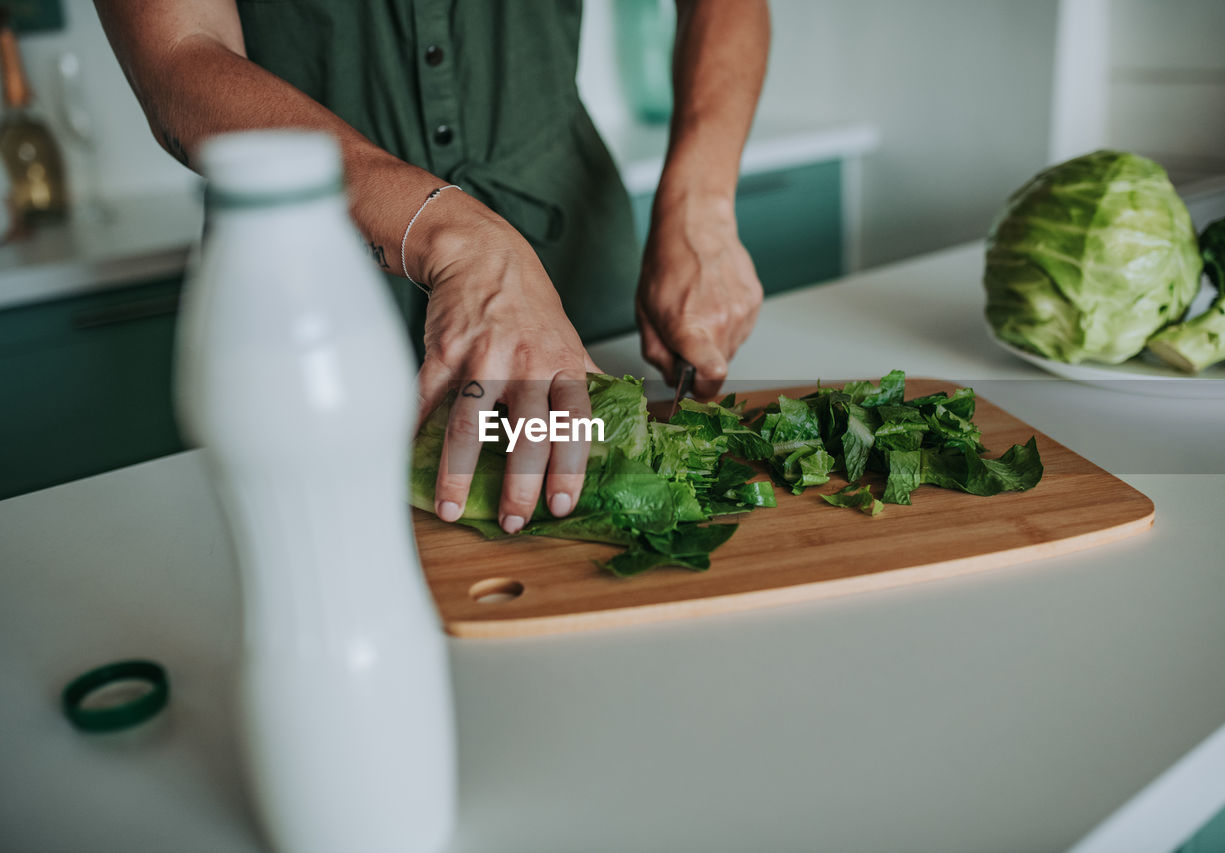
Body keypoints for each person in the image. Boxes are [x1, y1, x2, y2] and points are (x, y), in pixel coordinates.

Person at [96, 0, 769, 535]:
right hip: (305, 309)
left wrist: (699, 204)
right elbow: (179, 53)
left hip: (576, 279)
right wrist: (457, 238)